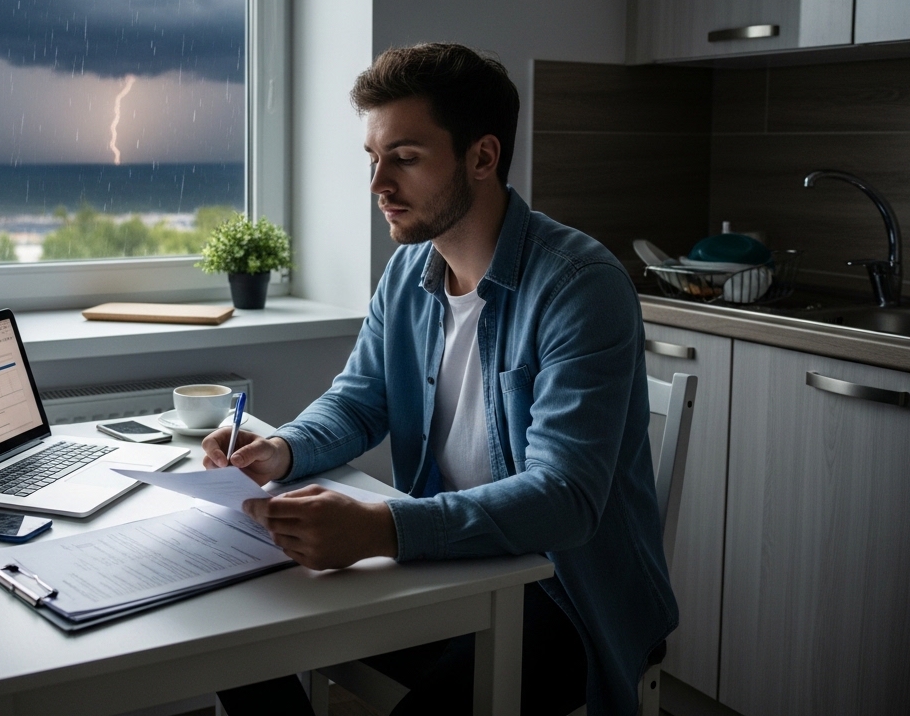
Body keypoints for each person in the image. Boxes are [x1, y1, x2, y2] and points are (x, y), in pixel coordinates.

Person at [207, 43, 676, 716]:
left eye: (405, 157)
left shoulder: (580, 286)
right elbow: (362, 398)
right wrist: (280, 448)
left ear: (482, 158)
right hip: (451, 563)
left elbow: (566, 497)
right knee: (240, 633)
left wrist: (380, 530)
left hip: (567, 594)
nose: (378, 185)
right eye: (373, 158)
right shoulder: (409, 269)